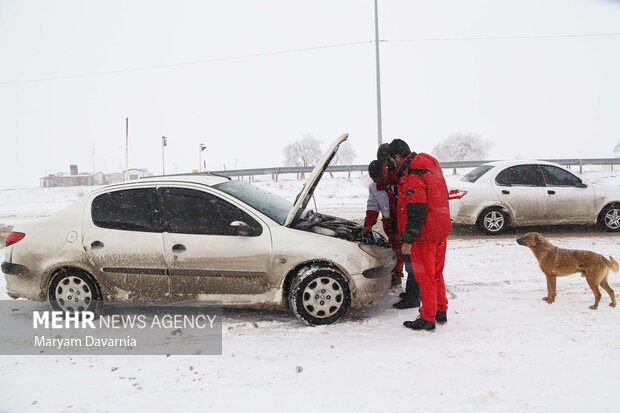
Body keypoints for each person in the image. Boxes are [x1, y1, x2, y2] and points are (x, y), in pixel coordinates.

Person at [387, 138, 452, 331]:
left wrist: (408, 240)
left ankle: (427, 317)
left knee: (425, 277)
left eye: (392, 160)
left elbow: (416, 210)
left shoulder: (413, 175)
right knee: (436, 274)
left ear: (398, 157)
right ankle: (441, 310)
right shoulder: (429, 167)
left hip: (425, 235)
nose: (392, 164)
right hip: (440, 229)